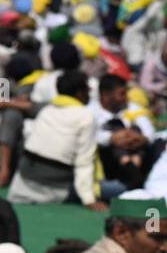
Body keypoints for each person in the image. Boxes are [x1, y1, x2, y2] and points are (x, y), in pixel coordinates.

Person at [6, 70, 104, 210]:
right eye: (87, 90)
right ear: (80, 93)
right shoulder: (85, 117)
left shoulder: (46, 110)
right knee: (116, 189)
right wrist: (89, 199)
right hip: (55, 188)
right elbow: (84, 162)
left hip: (23, 182)